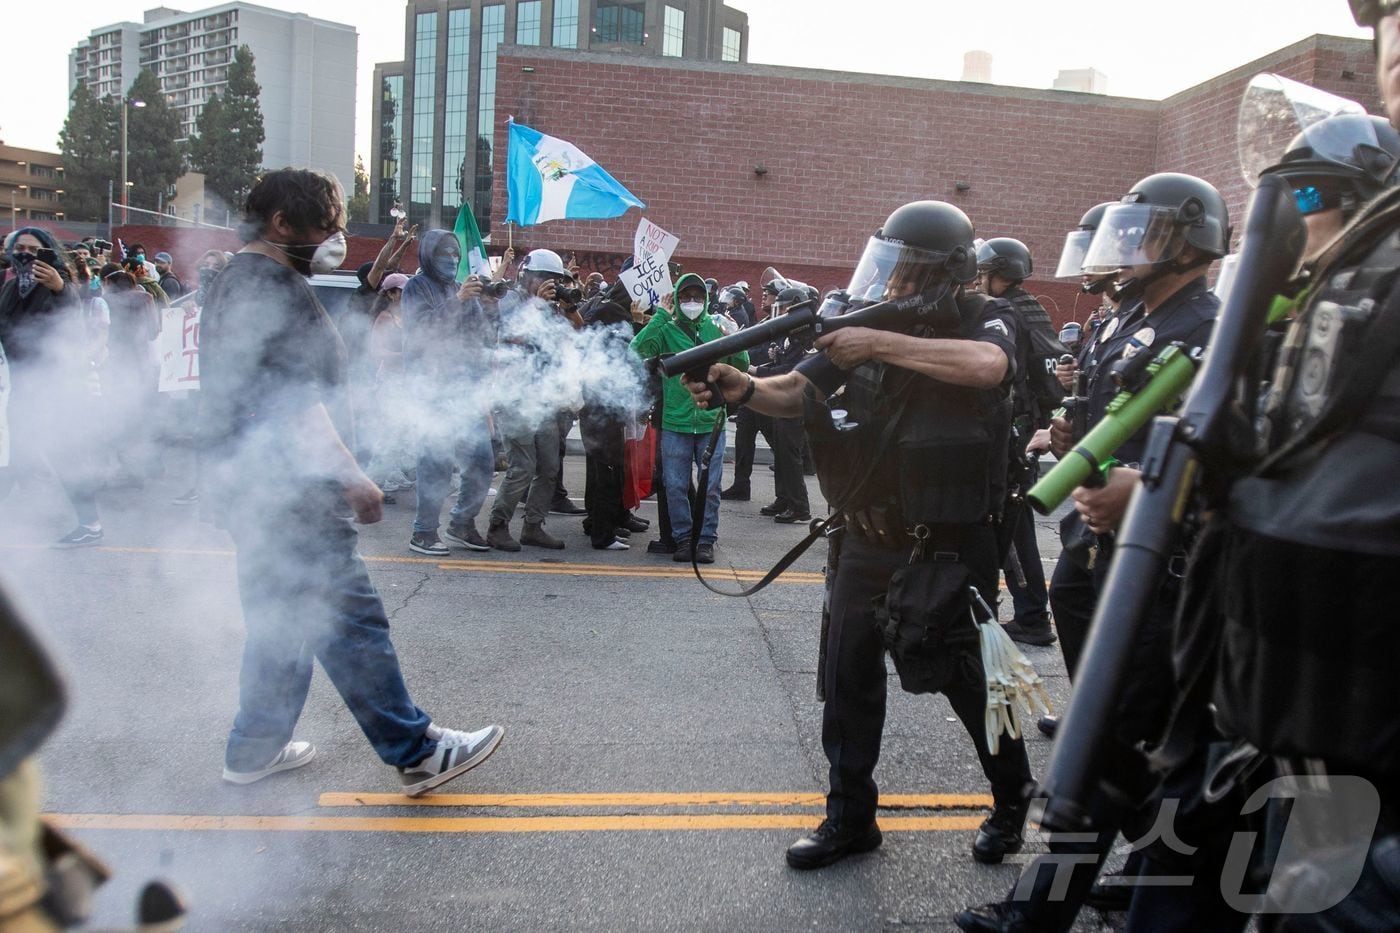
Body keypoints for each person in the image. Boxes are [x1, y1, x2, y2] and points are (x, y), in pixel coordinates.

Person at [685, 200, 1033, 869]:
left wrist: (876, 341)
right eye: (889, 268)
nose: (893, 284)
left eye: (907, 271)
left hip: (949, 543)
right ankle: (850, 817)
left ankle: (1013, 797)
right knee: (847, 678)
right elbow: (797, 391)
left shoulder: (987, 315)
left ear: (944, 273)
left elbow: (989, 366)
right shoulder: (868, 320)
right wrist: (743, 387)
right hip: (867, 535)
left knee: (971, 680)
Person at [958, 172, 1228, 932]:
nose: (1126, 248)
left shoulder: (1211, 327)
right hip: (1097, 549)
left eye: (1144, 233)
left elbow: (1230, 451)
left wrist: (1144, 487)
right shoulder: (1136, 317)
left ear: (1185, 242)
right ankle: (1146, 869)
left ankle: (1040, 910)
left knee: (1109, 738)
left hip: (1161, 562)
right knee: (1136, 735)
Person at [197, 168, 503, 795]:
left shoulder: (242, 279)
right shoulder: (272, 286)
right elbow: (291, 399)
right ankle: (414, 750)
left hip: (249, 485)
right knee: (349, 618)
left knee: (281, 617)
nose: (332, 239)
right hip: (292, 488)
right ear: (283, 224)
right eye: (324, 227)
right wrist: (351, 474)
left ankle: (254, 748)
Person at [975, 237, 1065, 647]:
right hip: (1031, 425)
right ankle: (1025, 611)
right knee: (1015, 519)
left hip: (1012, 428)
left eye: (983, 273)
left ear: (998, 275)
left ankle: (1030, 614)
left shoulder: (1006, 311)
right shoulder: (1035, 308)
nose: (979, 280)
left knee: (1011, 522)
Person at [632, 273, 750, 564]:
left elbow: (743, 365)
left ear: (706, 299)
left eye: (698, 297)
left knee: (710, 486)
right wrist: (660, 315)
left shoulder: (719, 326)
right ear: (676, 298)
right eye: (686, 297)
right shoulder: (665, 329)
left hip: (711, 421)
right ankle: (684, 538)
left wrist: (734, 340)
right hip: (675, 422)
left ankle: (706, 540)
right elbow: (637, 350)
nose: (692, 302)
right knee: (674, 485)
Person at [0, 228, 102, 547]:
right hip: (21, 384)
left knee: (63, 457)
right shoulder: (11, 287)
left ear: (48, 253)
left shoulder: (59, 285)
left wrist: (60, 289)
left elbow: (74, 325)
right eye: (20, 247)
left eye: (34, 248)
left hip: (54, 387)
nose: (26, 253)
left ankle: (91, 524)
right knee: (14, 456)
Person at [401, 230, 495, 555]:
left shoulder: (460, 290)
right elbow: (423, 331)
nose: (452, 260)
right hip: (432, 389)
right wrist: (458, 302)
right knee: (436, 462)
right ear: (428, 255)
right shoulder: (416, 287)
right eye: (444, 253)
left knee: (483, 460)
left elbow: (479, 338)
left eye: (456, 254)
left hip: (464, 389)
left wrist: (487, 304)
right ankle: (423, 532)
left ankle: (463, 523)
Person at [487, 248, 577, 551]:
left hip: (545, 398)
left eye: (555, 280)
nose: (550, 284)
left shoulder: (551, 308)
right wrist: (538, 305)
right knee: (522, 467)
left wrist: (568, 305)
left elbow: (576, 333)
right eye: (546, 278)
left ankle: (534, 526)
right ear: (527, 276)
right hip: (515, 396)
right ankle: (498, 526)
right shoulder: (511, 301)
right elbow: (513, 336)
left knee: (549, 468)